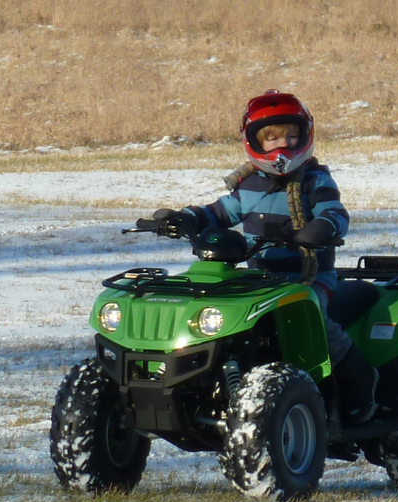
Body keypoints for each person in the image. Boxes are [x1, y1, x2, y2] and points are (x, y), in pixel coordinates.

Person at [152, 90, 377, 423]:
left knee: (316, 322)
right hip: (260, 282)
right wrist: (185, 218)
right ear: (254, 141)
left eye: (291, 135)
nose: (283, 145)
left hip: (308, 279)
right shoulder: (249, 186)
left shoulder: (315, 181)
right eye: (272, 137)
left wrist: (321, 228)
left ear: (306, 135)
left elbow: (336, 212)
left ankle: (360, 384)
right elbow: (218, 212)